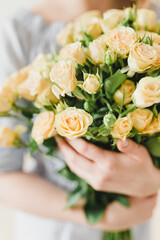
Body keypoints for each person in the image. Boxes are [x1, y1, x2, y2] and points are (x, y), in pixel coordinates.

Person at [0, 0, 158, 240]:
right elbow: (3, 176)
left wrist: (151, 181)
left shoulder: (151, 20)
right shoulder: (19, 32)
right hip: (53, 231)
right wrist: (101, 215)